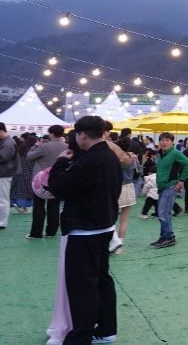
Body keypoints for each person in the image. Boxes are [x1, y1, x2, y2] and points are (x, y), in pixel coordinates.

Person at [46, 115, 122, 345]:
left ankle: (80, 336)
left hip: (84, 230)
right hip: (105, 226)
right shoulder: (109, 156)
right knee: (101, 280)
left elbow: (58, 187)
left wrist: (60, 163)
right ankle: (107, 329)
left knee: (83, 286)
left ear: (81, 135)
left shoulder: (89, 162)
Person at [152, 132, 188, 248]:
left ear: (172, 142)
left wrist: (182, 180)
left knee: (163, 213)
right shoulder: (160, 154)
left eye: (167, 140)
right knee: (164, 212)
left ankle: (169, 237)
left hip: (170, 186)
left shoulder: (175, 153)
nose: (164, 142)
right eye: (162, 140)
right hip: (162, 187)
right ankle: (164, 236)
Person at [27, 125, 68, 239]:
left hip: (40, 181)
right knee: (54, 206)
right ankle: (51, 231)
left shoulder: (45, 146)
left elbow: (29, 157)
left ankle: (36, 233)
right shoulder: (67, 146)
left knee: (38, 206)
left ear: (51, 134)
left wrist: (35, 146)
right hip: (58, 179)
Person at [109, 135, 140, 254]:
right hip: (129, 187)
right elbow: (139, 172)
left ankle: (112, 241)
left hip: (115, 188)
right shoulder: (133, 157)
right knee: (124, 219)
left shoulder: (114, 158)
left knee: (110, 218)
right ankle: (120, 245)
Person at [0, 122, 16, 229]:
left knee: (3, 199)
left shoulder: (8, 143)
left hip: (4, 173)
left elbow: (3, 157)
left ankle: (2, 223)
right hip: (3, 173)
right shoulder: (6, 141)